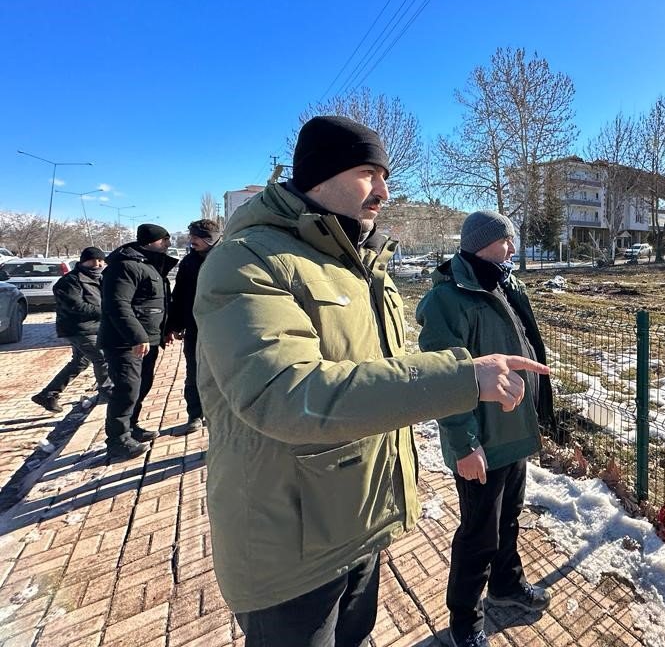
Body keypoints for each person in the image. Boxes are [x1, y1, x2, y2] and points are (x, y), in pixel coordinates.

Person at [193, 115, 547, 647]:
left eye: (385, 175)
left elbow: (379, 378)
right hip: (289, 547)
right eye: (367, 173)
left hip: (360, 521)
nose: (383, 190)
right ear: (319, 174)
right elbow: (286, 393)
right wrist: (463, 380)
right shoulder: (248, 261)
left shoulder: (362, 266)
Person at [416, 211, 555, 647]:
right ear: (480, 243)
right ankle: (465, 621)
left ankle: (506, 585)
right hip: (482, 441)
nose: (512, 248)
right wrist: (464, 444)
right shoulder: (447, 300)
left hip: (513, 431)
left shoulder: (504, 285)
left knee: (508, 518)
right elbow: (445, 380)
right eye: (504, 241)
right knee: (478, 534)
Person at [100, 223, 177, 460]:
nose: (168, 244)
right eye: (164, 240)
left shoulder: (149, 264)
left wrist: (164, 331)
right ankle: (118, 440)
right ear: (151, 241)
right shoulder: (125, 266)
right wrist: (137, 336)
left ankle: (131, 427)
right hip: (125, 342)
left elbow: (156, 303)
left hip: (147, 340)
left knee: (142, 385)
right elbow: (118, 304)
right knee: (127, 389)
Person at [31, 246, 112, 413]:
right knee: (101, 357)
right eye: (93, 261)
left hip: (95, 326)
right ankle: (107, 392)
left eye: (100, 261)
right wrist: (107, 311)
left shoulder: (102, 278)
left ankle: (48, 394)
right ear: (83, 262)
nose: (97, 264)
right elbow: (76, 306)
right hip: (78, 328)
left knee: (80, 362)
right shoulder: (70, 281)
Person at [166, 218, 221, 433]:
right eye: (191, 236)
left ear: (210, 238)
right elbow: (179, 294)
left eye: (196, 237)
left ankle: (224, 412)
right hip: (195, 328)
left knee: (225, 370)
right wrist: (175, 324)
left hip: (223, 327)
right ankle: (195, 414)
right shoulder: (188, 262)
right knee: (194, 372)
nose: (191, 241)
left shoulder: (227, 256)